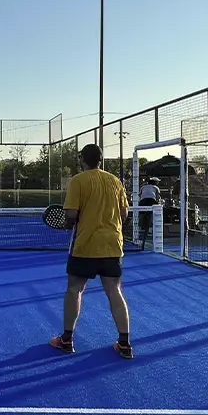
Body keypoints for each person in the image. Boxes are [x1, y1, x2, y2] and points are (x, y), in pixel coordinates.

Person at [50, 144, 133, 359]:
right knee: (115, 291)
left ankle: (66, 340)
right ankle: (124, 343)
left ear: (82, 159)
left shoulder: (78, 180)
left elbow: (71, 213)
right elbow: (124, 214)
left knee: (74, 290)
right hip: (113, 244)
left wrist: (70, 223)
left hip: (85, 245)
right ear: (101, 159)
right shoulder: (115, 181)